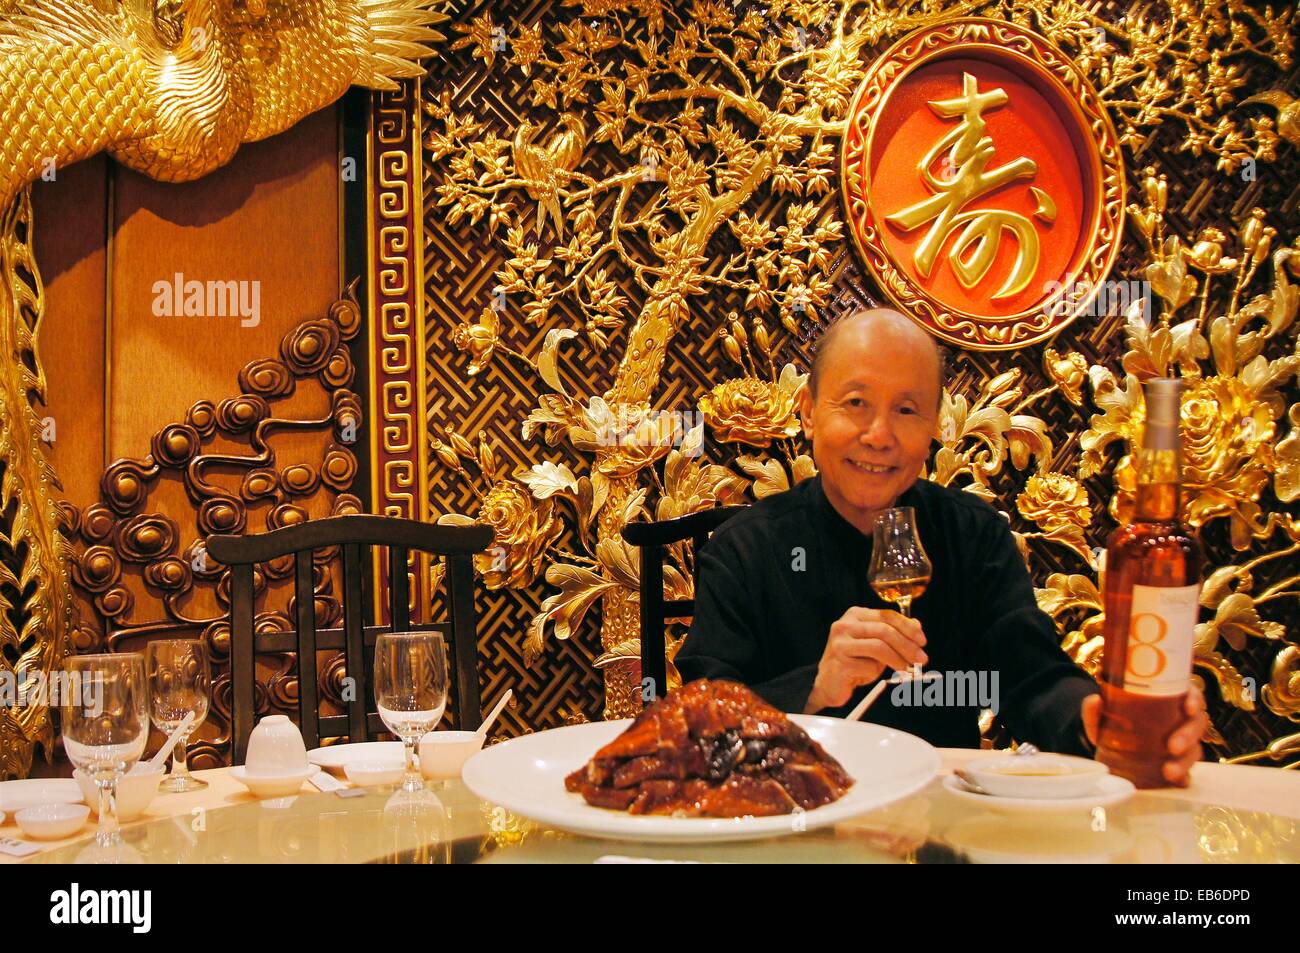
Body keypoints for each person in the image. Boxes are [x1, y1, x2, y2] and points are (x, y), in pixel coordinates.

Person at [678, 308, 1207, 783]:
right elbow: (699, 722)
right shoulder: (743, 549)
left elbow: (1032, 678)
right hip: (788, 822)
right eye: (856, 403)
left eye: (907, 410)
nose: (880, 434)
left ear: (935, 424)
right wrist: (816, 687)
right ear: (810, 411)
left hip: (940, 823)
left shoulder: (972, 535)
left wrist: (1094, 719)